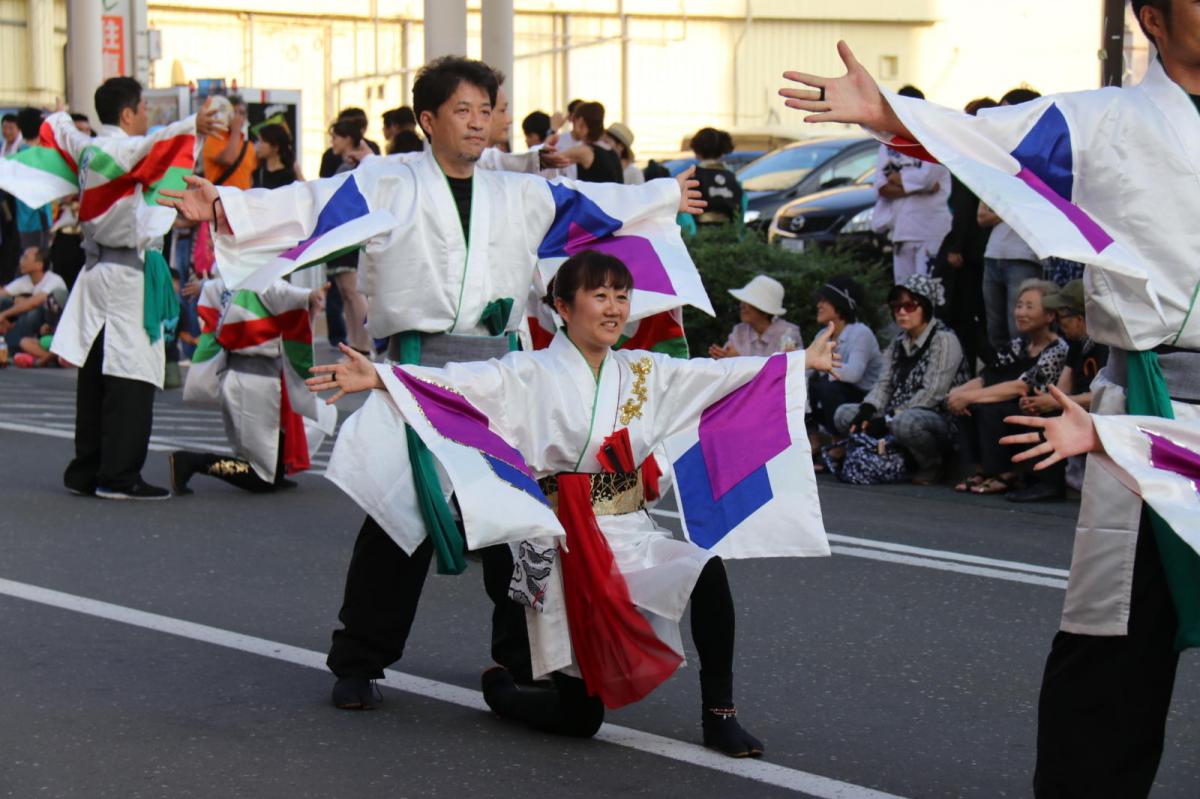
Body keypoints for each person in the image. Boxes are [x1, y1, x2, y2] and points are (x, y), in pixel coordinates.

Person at [158, 55, 706, 714]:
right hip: (417, 372)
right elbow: (310, 205)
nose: (480, 124)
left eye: (488, 110)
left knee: (522, 523)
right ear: (428, 119)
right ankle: (358, 658)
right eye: (464, 111)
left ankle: (522, 658)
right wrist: (226, 204)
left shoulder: (518, 192)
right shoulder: (388, 181)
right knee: (399, 517)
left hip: (502, 377)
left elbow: (594, 208)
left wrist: (665, 195)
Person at [778, 10, 1199, 791]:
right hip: (1143, 409)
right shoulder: (1103, 121)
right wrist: (890, 113)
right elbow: (987, 141)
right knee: (1114, 637)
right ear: (1151, 14)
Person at [305, 250, 838, 756]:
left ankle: (719, 713)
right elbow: (460, 385)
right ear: (562, 307)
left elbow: (719, 376)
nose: (614, 308)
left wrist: (801, 362)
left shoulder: (645, 372)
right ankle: (502, 690)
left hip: (626, 530)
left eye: (622, 296)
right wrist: (380, 375)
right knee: (578, 718)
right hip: (550, 536)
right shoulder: (527, 372)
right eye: (600, 295)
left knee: (704, 570)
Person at [0, 77, 219, 499]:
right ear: (126, 113)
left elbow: (62, 132)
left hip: (97, 273)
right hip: (124, 277)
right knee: (131, 376)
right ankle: (119, 476)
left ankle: (87, 468)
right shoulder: (117, 150)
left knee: (96, 374)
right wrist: (192, 124)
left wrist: (60, 115)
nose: (145, 119)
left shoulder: (88, 149)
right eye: (141, 110)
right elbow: (151, 152)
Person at [171, 275, 334, 494]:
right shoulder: (263, 279)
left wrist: (202, 286)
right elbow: (283, 293)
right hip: (254, 382)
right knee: (262, 477)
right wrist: (310, 296)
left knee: (273, 465)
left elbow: (216, 288)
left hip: (253, 377)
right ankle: (192, 462)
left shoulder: (238, 277)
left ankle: (268, 470)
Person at [832, 274, 963, 484]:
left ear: (926, 307)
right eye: (896, 306)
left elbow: (933, 394)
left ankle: (932, 465)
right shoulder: (898, 341)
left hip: (936, 417)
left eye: (910, 306)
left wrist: (887, 419)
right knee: (844, 414)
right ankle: (886, 458)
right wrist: (868, 409)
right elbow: (883, 384)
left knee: (904, 422)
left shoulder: (944, 339)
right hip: (895, 412)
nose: (901, 312)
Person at [947, 279, 1068, 496]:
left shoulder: (1057, 349)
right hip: (1009, 403)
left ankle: (1004, 473)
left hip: (1034, 409)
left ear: (1050, 316)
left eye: (1029, 307)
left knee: (988, 408)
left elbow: (1020, 387)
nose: (1020, 312)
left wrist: (970, 397)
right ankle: (981, 470)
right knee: (965, 405)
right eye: (1019, 305)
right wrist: (959, 393)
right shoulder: (1019, 344)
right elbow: (988, 376)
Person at [1020, 279, 1109, 494]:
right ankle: (1032, 480)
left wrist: (1059, 402)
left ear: (1080, 318)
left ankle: (1051, 484)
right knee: (1031, 411)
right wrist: (1045, 400)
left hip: (1103, 413)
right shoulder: (1076, 345)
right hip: (1078, 408)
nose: (1060, 325)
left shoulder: (1106, 346)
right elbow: (1063, 388)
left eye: (1062, 318)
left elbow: (1106, 395)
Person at [976, 88, 1046, 353]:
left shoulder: (1038, 155)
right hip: (993, 253)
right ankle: (1001, 381)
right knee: (996, 331)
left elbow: (1036, 203)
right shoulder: (999, 157)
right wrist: (1012, 203)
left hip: (1023, 256)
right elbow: (982, 216)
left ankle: (1019, 386)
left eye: (1005, 110)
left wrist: (1006, 205)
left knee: (1021, 329)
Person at [932, 97, 997, 375]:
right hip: (987, 246)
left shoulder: (968, 154)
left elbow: (963, 205)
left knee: (965, 316)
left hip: (970, 250)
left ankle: (969, 371)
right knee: (987, 318)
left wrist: (956, 245)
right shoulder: (996, 154)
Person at [870, 86, 952, 284]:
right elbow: (881, 186)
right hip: (901, 229)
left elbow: (928, 180)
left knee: (927, 292)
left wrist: (899, 179)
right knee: (904, 292)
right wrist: (916, 186)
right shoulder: (889, 142)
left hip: (930, 229)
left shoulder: (935, 140)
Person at [807, 275, 882, 436]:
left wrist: (825, 364)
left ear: (839, 305)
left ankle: (839, 443)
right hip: (836, 393)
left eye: (824, 301)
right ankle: (812, 437)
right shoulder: (822, 334)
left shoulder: (860, 333)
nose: (818, 305)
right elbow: (809, 370)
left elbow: (855, 374)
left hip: (864, 397)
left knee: (828, 385)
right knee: (804, 386)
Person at [708, 275, 800, 358]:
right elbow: (727, 367)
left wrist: (739, 361)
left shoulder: (788, 333)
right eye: (743, 301)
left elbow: (795, 370)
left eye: (748, 302)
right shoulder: (739, 332)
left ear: (765, 310)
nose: (742, 306)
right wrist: (722, 358)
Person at [0, 246, 67, 353]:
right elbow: (2, 294)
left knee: (33, 311)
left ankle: (12, 346)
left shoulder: (54, 280)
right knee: (4, 302)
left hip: (51, 325)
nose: (21, 260)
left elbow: (34, 303)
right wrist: (13, 299)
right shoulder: (25, 280)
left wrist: (4, 315)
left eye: (25, 258)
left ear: (39, 265)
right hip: (33, 322)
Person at [556, 101, 623, 183]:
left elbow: (548, 160)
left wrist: (553, 129)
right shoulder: (611, 152)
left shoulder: (585, 151)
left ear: (580, 122)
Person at [688, 128, 744, 227]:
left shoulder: (695, 175)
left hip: (701, 230)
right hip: (728, 229)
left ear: (697, 151)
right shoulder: (730, 176)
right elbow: (740, 203)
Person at [202, 95, 257, 191]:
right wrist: (236, 131)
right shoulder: (214, 138)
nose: (238, 117)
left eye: (242, 113)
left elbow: (250, 177)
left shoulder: (249, 146)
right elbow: (228, 159)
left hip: (241, 200)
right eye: (234, 112)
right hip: (221, 199)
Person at [252, 123, 297, 189]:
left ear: (275, 146)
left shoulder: (288, 176)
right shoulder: (257, 173)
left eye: (262, 141)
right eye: (258, 141)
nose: (258, 145)